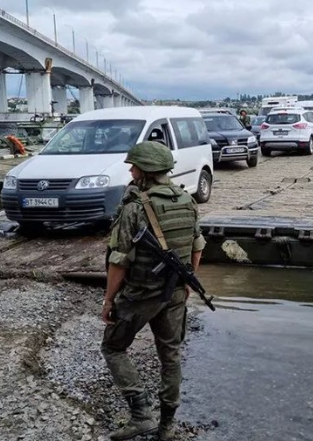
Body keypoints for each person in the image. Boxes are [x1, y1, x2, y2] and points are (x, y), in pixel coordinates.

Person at [100, 141, 206, 441]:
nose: (130, 171)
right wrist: (187, 283)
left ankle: (141, 415)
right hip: (174, 293)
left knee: (112, 347)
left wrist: (108, 300)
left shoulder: (134, 207)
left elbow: (119, 261)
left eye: (133, 166)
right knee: (170, 355)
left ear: (145, 171)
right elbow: (197, 249)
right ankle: (167, 426)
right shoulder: (187, 200)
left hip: (140, 294)